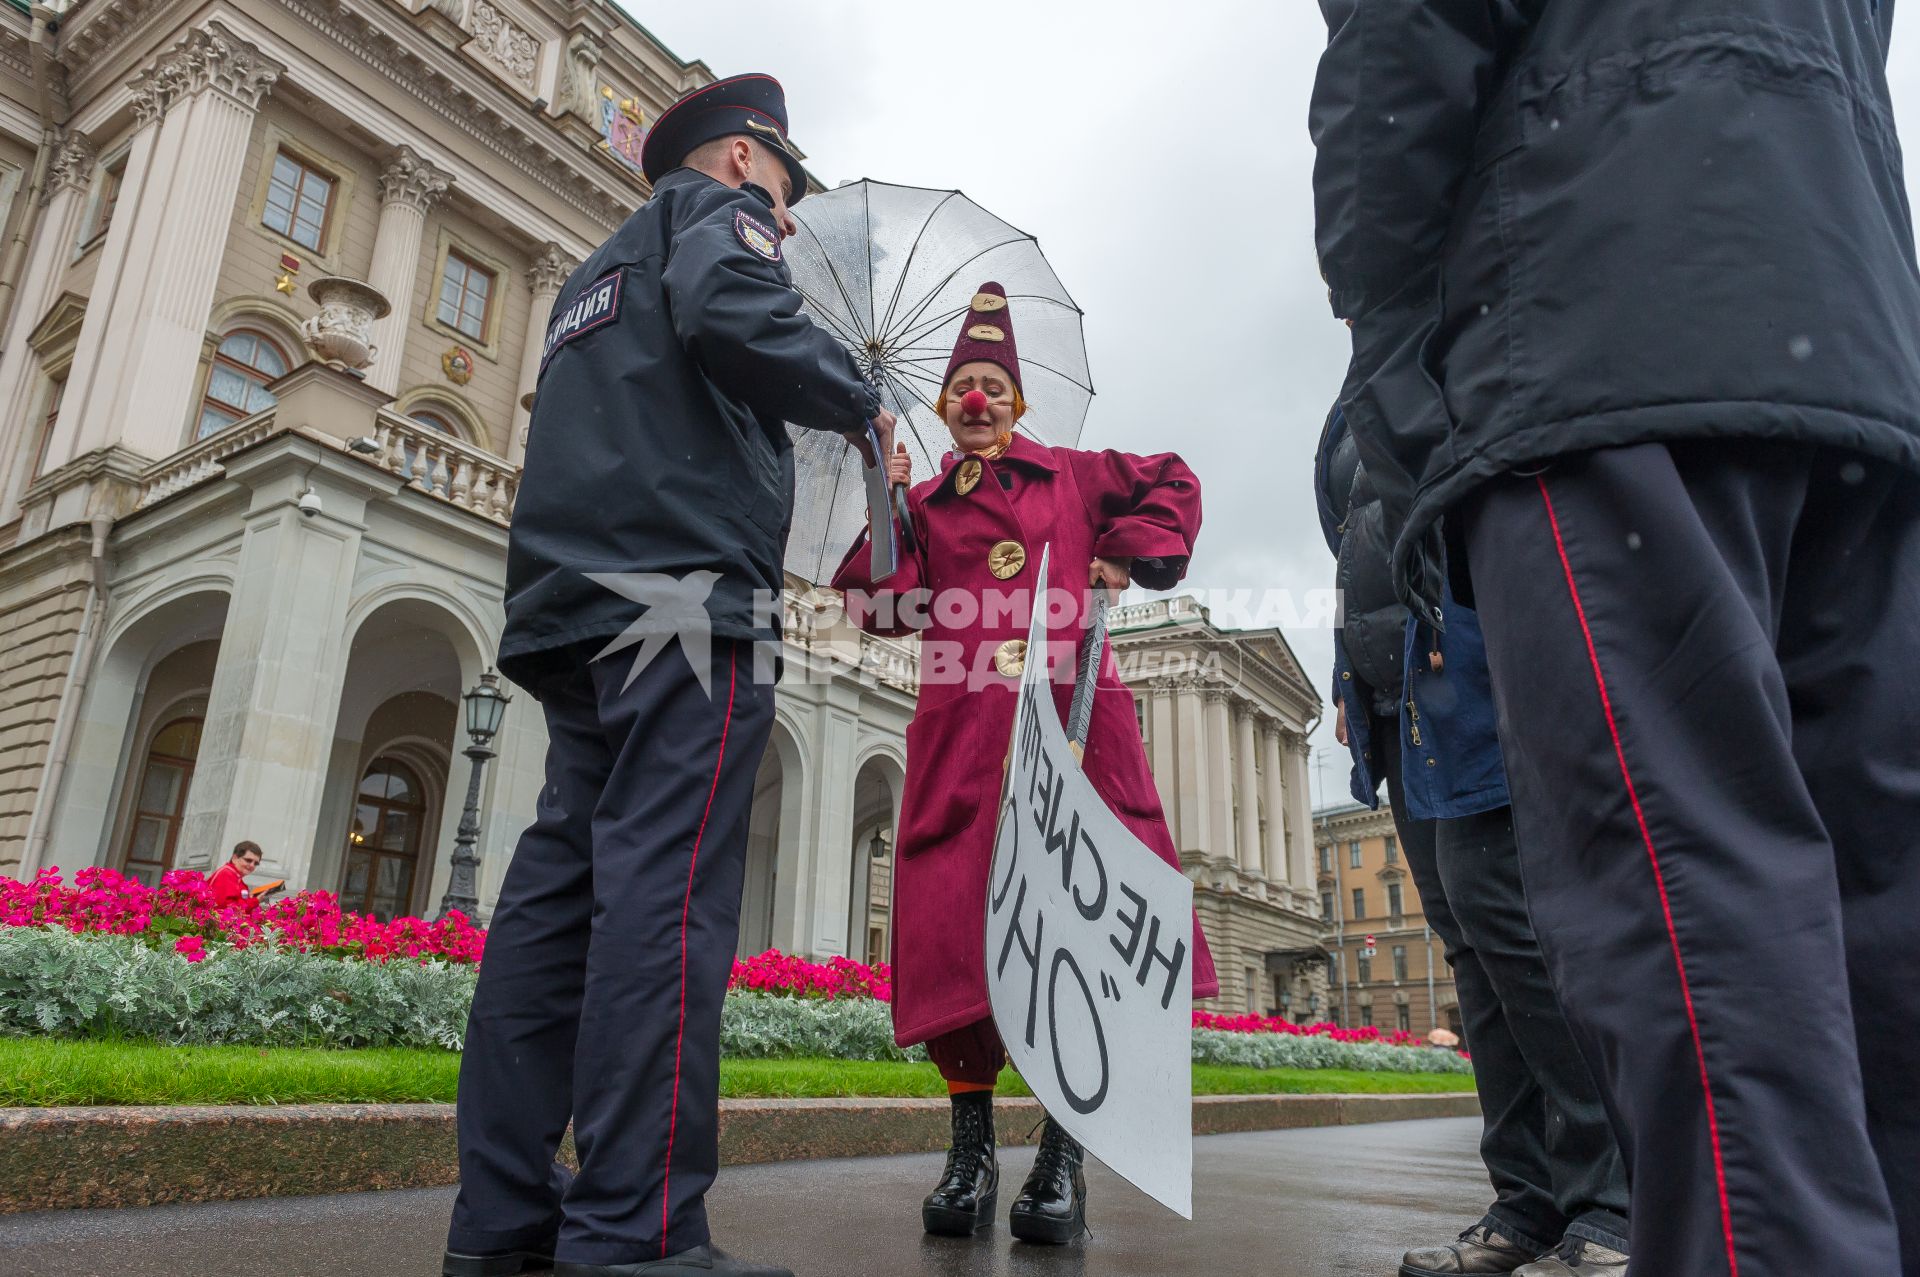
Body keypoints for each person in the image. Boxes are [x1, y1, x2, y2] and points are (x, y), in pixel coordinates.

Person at [1311, 4, 1920, 1273]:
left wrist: (1399, 356)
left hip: (1597, 327)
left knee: (1692, 902)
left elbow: (1402, 49)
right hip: (1847, 331)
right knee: (1871, 906)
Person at [445, 73, 895, 1277]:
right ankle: (634, 1233)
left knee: (557, 897)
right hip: (685, 602)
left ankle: (499, 1225)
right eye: (789, 190)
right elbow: (737, 315)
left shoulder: (594, 272)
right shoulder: (717, 221)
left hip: (574, 602)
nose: (789, 222)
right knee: (667, 898)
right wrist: (861, 396)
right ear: (746, 159)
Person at [831, 282, 1218, 1245]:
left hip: (1079, 733)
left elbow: (1174, 479)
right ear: (942, 402)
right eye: (959, 384)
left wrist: (1125, 550)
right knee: (959, 932)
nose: (975, 399)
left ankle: (1061, 1157)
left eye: (989, 385)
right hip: (964, 740)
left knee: (1072, 930)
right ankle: (969, 1150)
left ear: (1019, 400)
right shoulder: (919, 503)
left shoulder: (1080, 476)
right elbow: (882, 609)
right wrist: (883, 497)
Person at [1316, 405, 1631, 1277]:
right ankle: (1527, 1199)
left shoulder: (1441, 342)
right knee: (1469, 945)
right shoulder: (1356, 394)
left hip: (1473, 674)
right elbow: (1358, 547)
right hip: (1401, 703)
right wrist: (1352, 669)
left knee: (1515, 931)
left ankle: (1613, 1201)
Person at [207, 841, 262, 907]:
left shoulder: (236, 878)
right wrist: (254, 901)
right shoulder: (226, 874)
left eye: (256, 863)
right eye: (248, 860)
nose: (252, 865)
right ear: (234, 858)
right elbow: (227, 907)